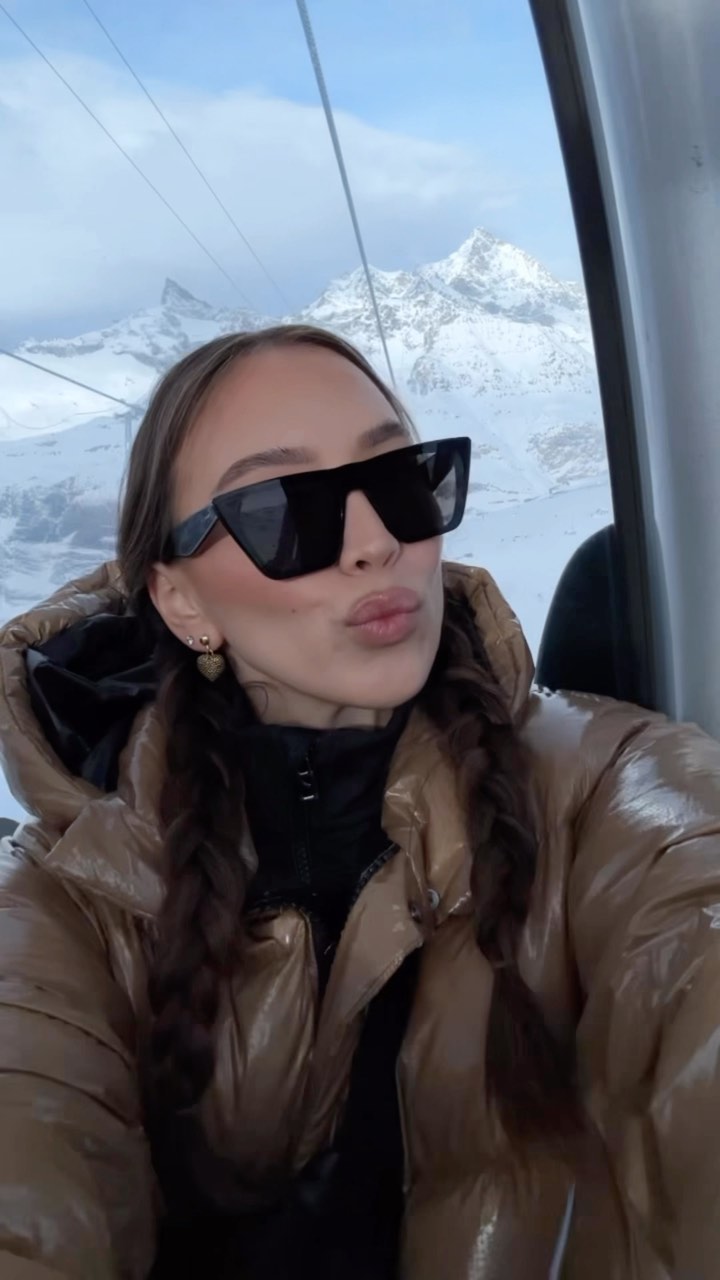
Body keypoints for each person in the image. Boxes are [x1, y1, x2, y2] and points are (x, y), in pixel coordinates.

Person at [0, 325, 719, 1280]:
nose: (377, 542)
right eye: (282, 509)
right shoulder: (71, 904)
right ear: (181, 603)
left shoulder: (605, 787)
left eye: (399, 481)